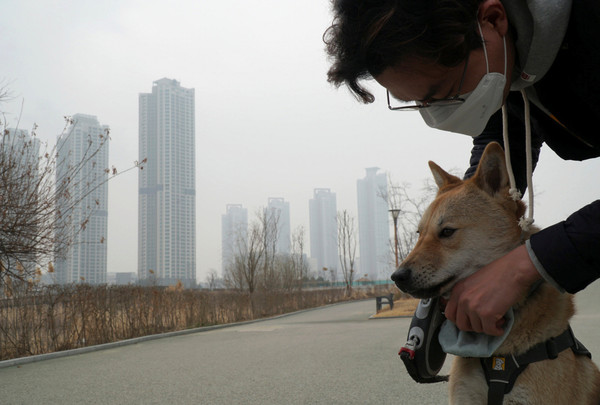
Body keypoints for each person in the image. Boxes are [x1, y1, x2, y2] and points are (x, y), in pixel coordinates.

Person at [324, 0, 600, 336]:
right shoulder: (504, 64)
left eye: (442, 93)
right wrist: (472, 206)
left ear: (494, 20)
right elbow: (503, 131)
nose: (437, 115)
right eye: (419, 104)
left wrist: (526, 264)